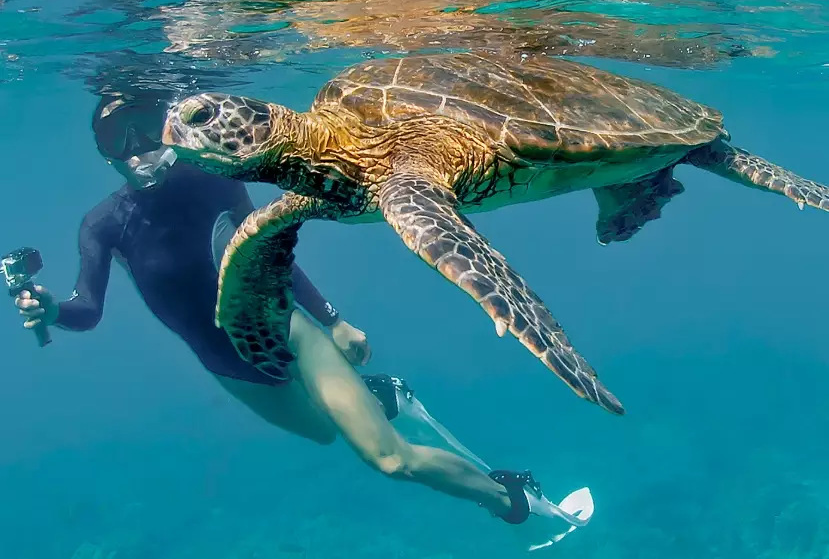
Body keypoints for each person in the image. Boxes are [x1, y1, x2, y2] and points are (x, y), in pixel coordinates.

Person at [15, 88, 593, 538]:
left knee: (388, 459)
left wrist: (332, 319)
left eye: (145, 127)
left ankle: (514, 501)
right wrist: (49, 310)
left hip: (283, 326)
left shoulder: (210, 179)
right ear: (102, 152)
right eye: (119, 139)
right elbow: (86, 310)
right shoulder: (103, 224)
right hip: (228, 363)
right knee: (321, 435)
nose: (138, 148)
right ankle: (382, 396)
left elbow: (268, 249)